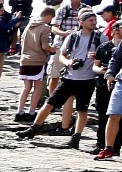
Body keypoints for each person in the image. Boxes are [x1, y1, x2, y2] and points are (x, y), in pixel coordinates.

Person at [21, 12, 106, 147]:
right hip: (69, 77)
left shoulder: (100, 38)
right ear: (81, 22)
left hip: (87, 79)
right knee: (49, 103)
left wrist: (96, 57)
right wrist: (68, 62)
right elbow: (62, 55)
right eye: (90, 20)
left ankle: (75, 138)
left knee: (81, 110)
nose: (94, 23)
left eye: (95, 20)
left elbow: (107, 56)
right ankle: (33, 129)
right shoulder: (72, 37)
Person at [16, 9, 57, 121]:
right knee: (37, 88)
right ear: (49, 17)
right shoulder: (45, 28)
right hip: (37, 60)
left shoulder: (29, 26)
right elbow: (45, 46)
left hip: (25, 60)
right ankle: (32, 112)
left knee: (26, 88)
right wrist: (53, 49)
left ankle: (19, 112)